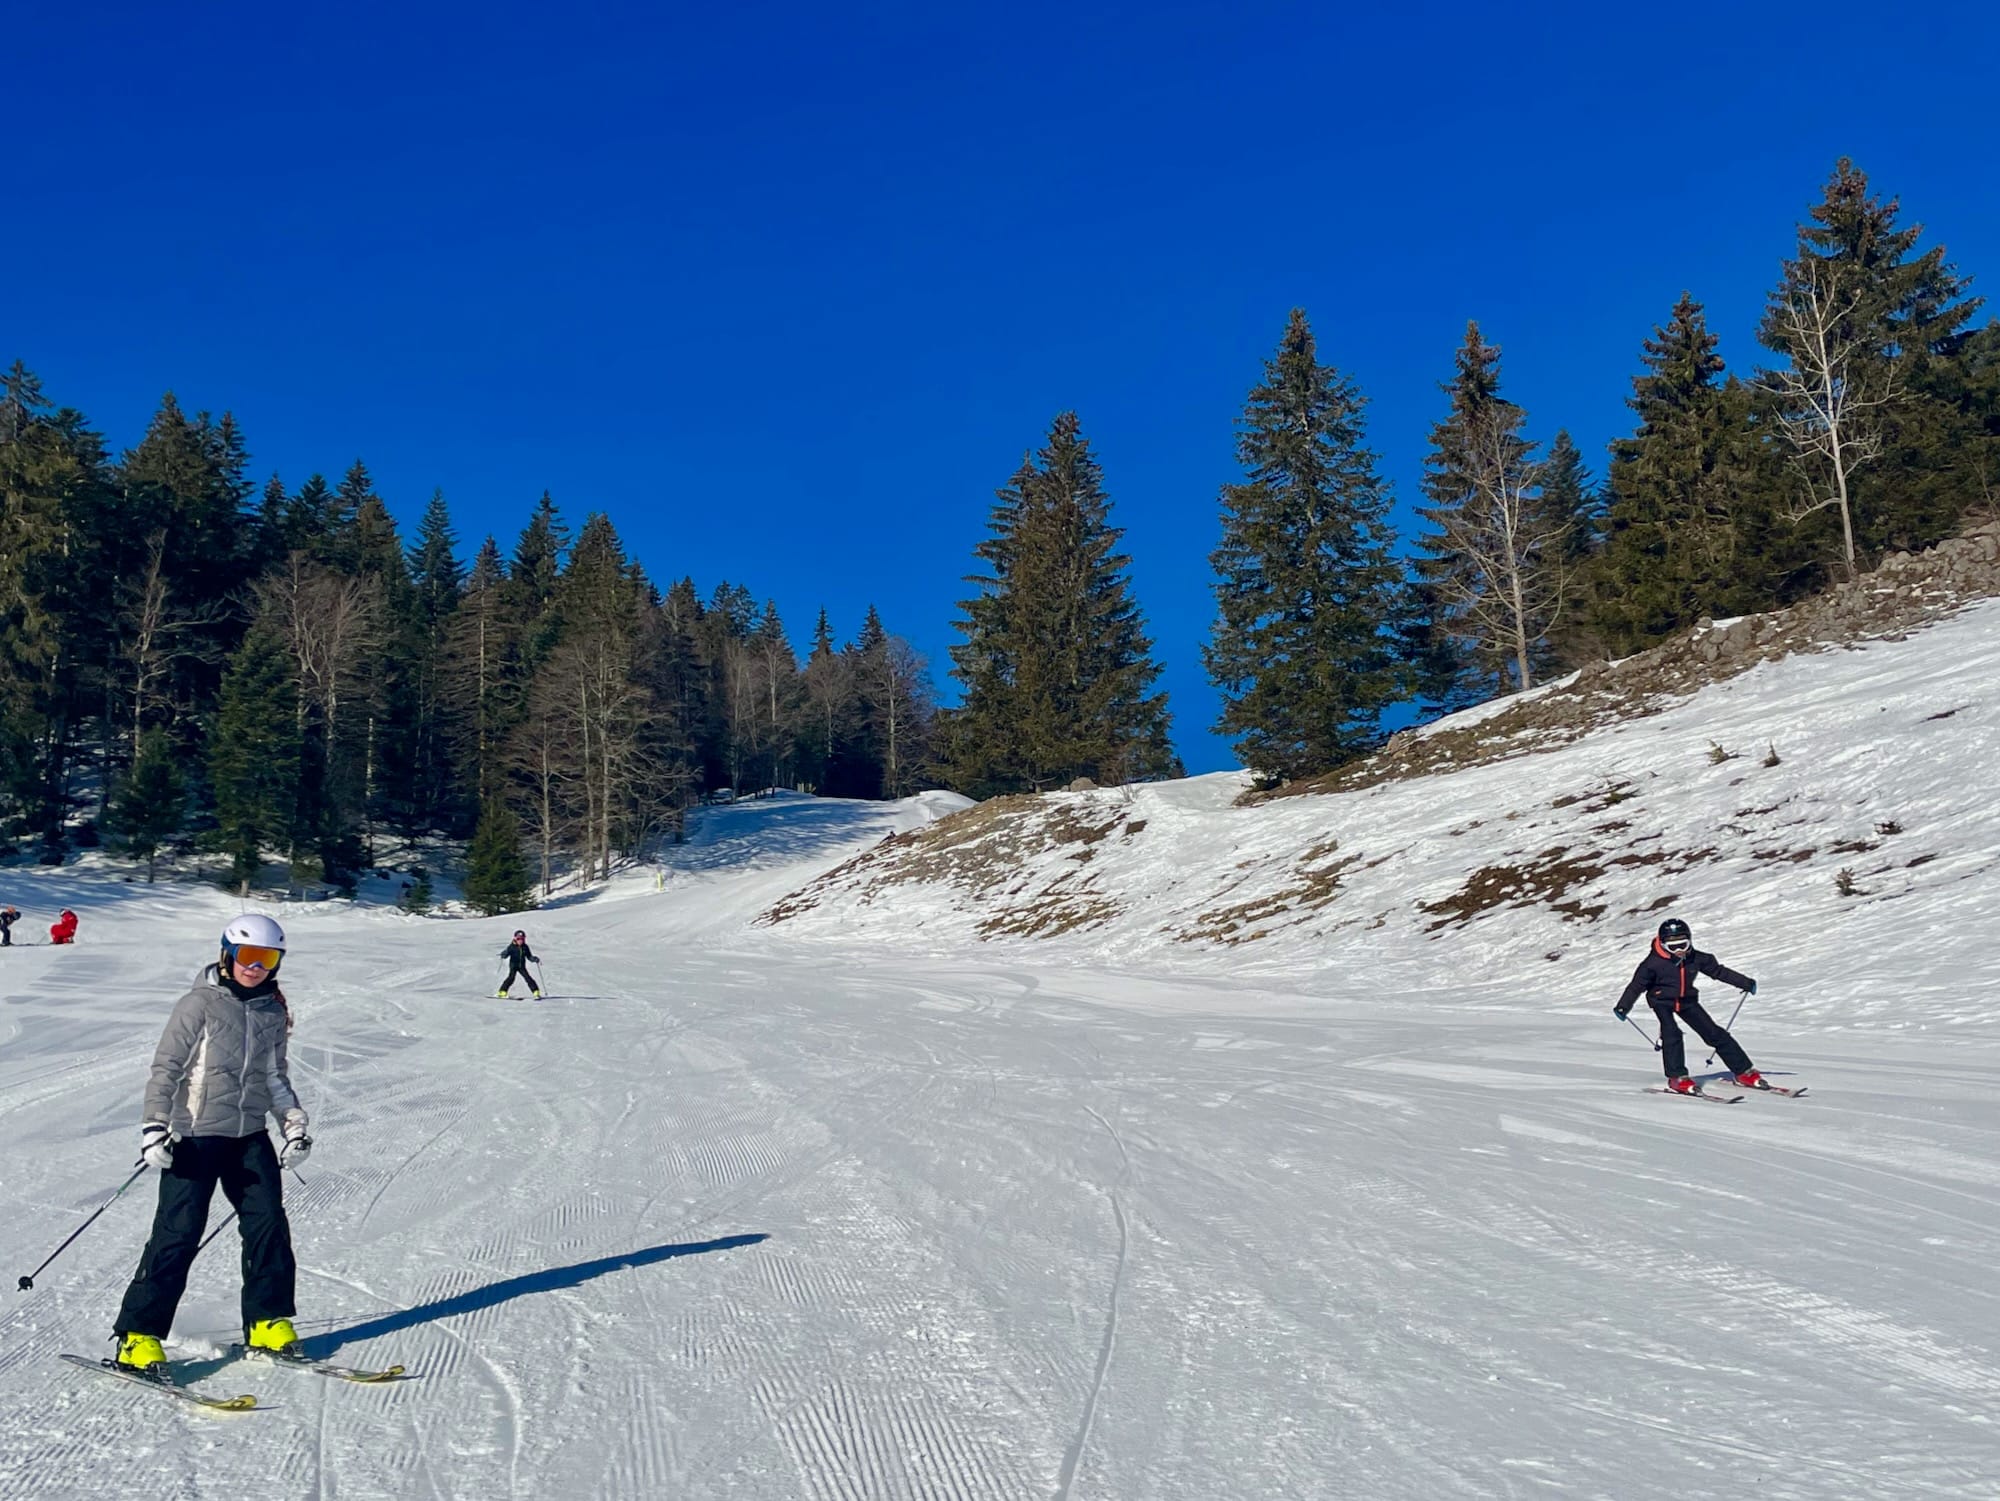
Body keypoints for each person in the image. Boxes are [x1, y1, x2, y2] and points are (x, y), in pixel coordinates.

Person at [110, 913, 312, 1375]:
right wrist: (153, 1127)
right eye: (248, 956)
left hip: (249, 1136)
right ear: (227, 953)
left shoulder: (271, 1011)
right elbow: (167, 1069)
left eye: (267, 958)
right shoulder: (197, 1005)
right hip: (196, 1136)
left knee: (268, 1227)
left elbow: (274, 1077)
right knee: (177, 1234)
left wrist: (294, 1125)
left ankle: (266, 1320)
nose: (255, 967)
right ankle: (137, 1336)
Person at [1615, 917, 1761, 1093]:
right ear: (1662, 944)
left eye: (1682, 945)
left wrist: (1744, 982)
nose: (1679, 950)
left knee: (1714, 1033)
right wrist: (1624, 1006)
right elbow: (1636, 986)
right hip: (1662, 1001)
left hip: (1687, 1000)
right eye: (1673, 946)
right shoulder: (1651, 964)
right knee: (1672, 1033)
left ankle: (1743, 1071)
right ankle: (1677, 1077)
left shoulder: (1696, 958)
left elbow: (1718, 971)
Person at [495, 930, 541, 999]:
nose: (520, 941)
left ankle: (536, 992)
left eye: (522, 939)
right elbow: (506, 953)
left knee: (528, 978)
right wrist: (503, 955)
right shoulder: (511, 947)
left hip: (521, 966)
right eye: (518, 939)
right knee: (511, 978)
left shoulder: (525, 947)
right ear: (515, 939)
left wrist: (534, 959)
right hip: (513, 966)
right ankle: (502, 992)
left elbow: (529, 957)